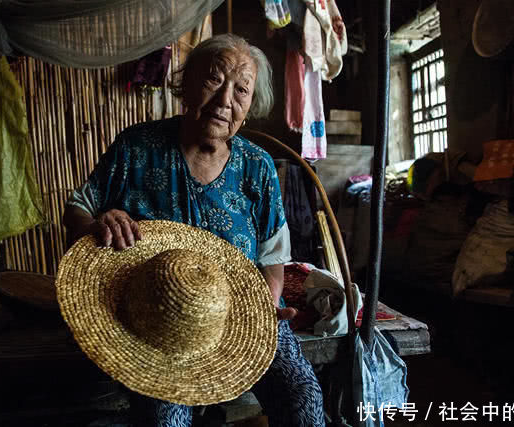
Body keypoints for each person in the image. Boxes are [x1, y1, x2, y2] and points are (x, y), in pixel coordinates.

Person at [63, 33, 325, 427]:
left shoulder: (257, 166)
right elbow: (77, 208)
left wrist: (264, 311)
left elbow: (272, 257)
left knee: (302, 397)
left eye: (241, 90)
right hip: (154, 320)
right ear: (185, 85)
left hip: (235, 314)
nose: (225, 101)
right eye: (214, 80)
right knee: (166, 417)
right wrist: (99, 222)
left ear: (251, 104)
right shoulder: (138, 146)